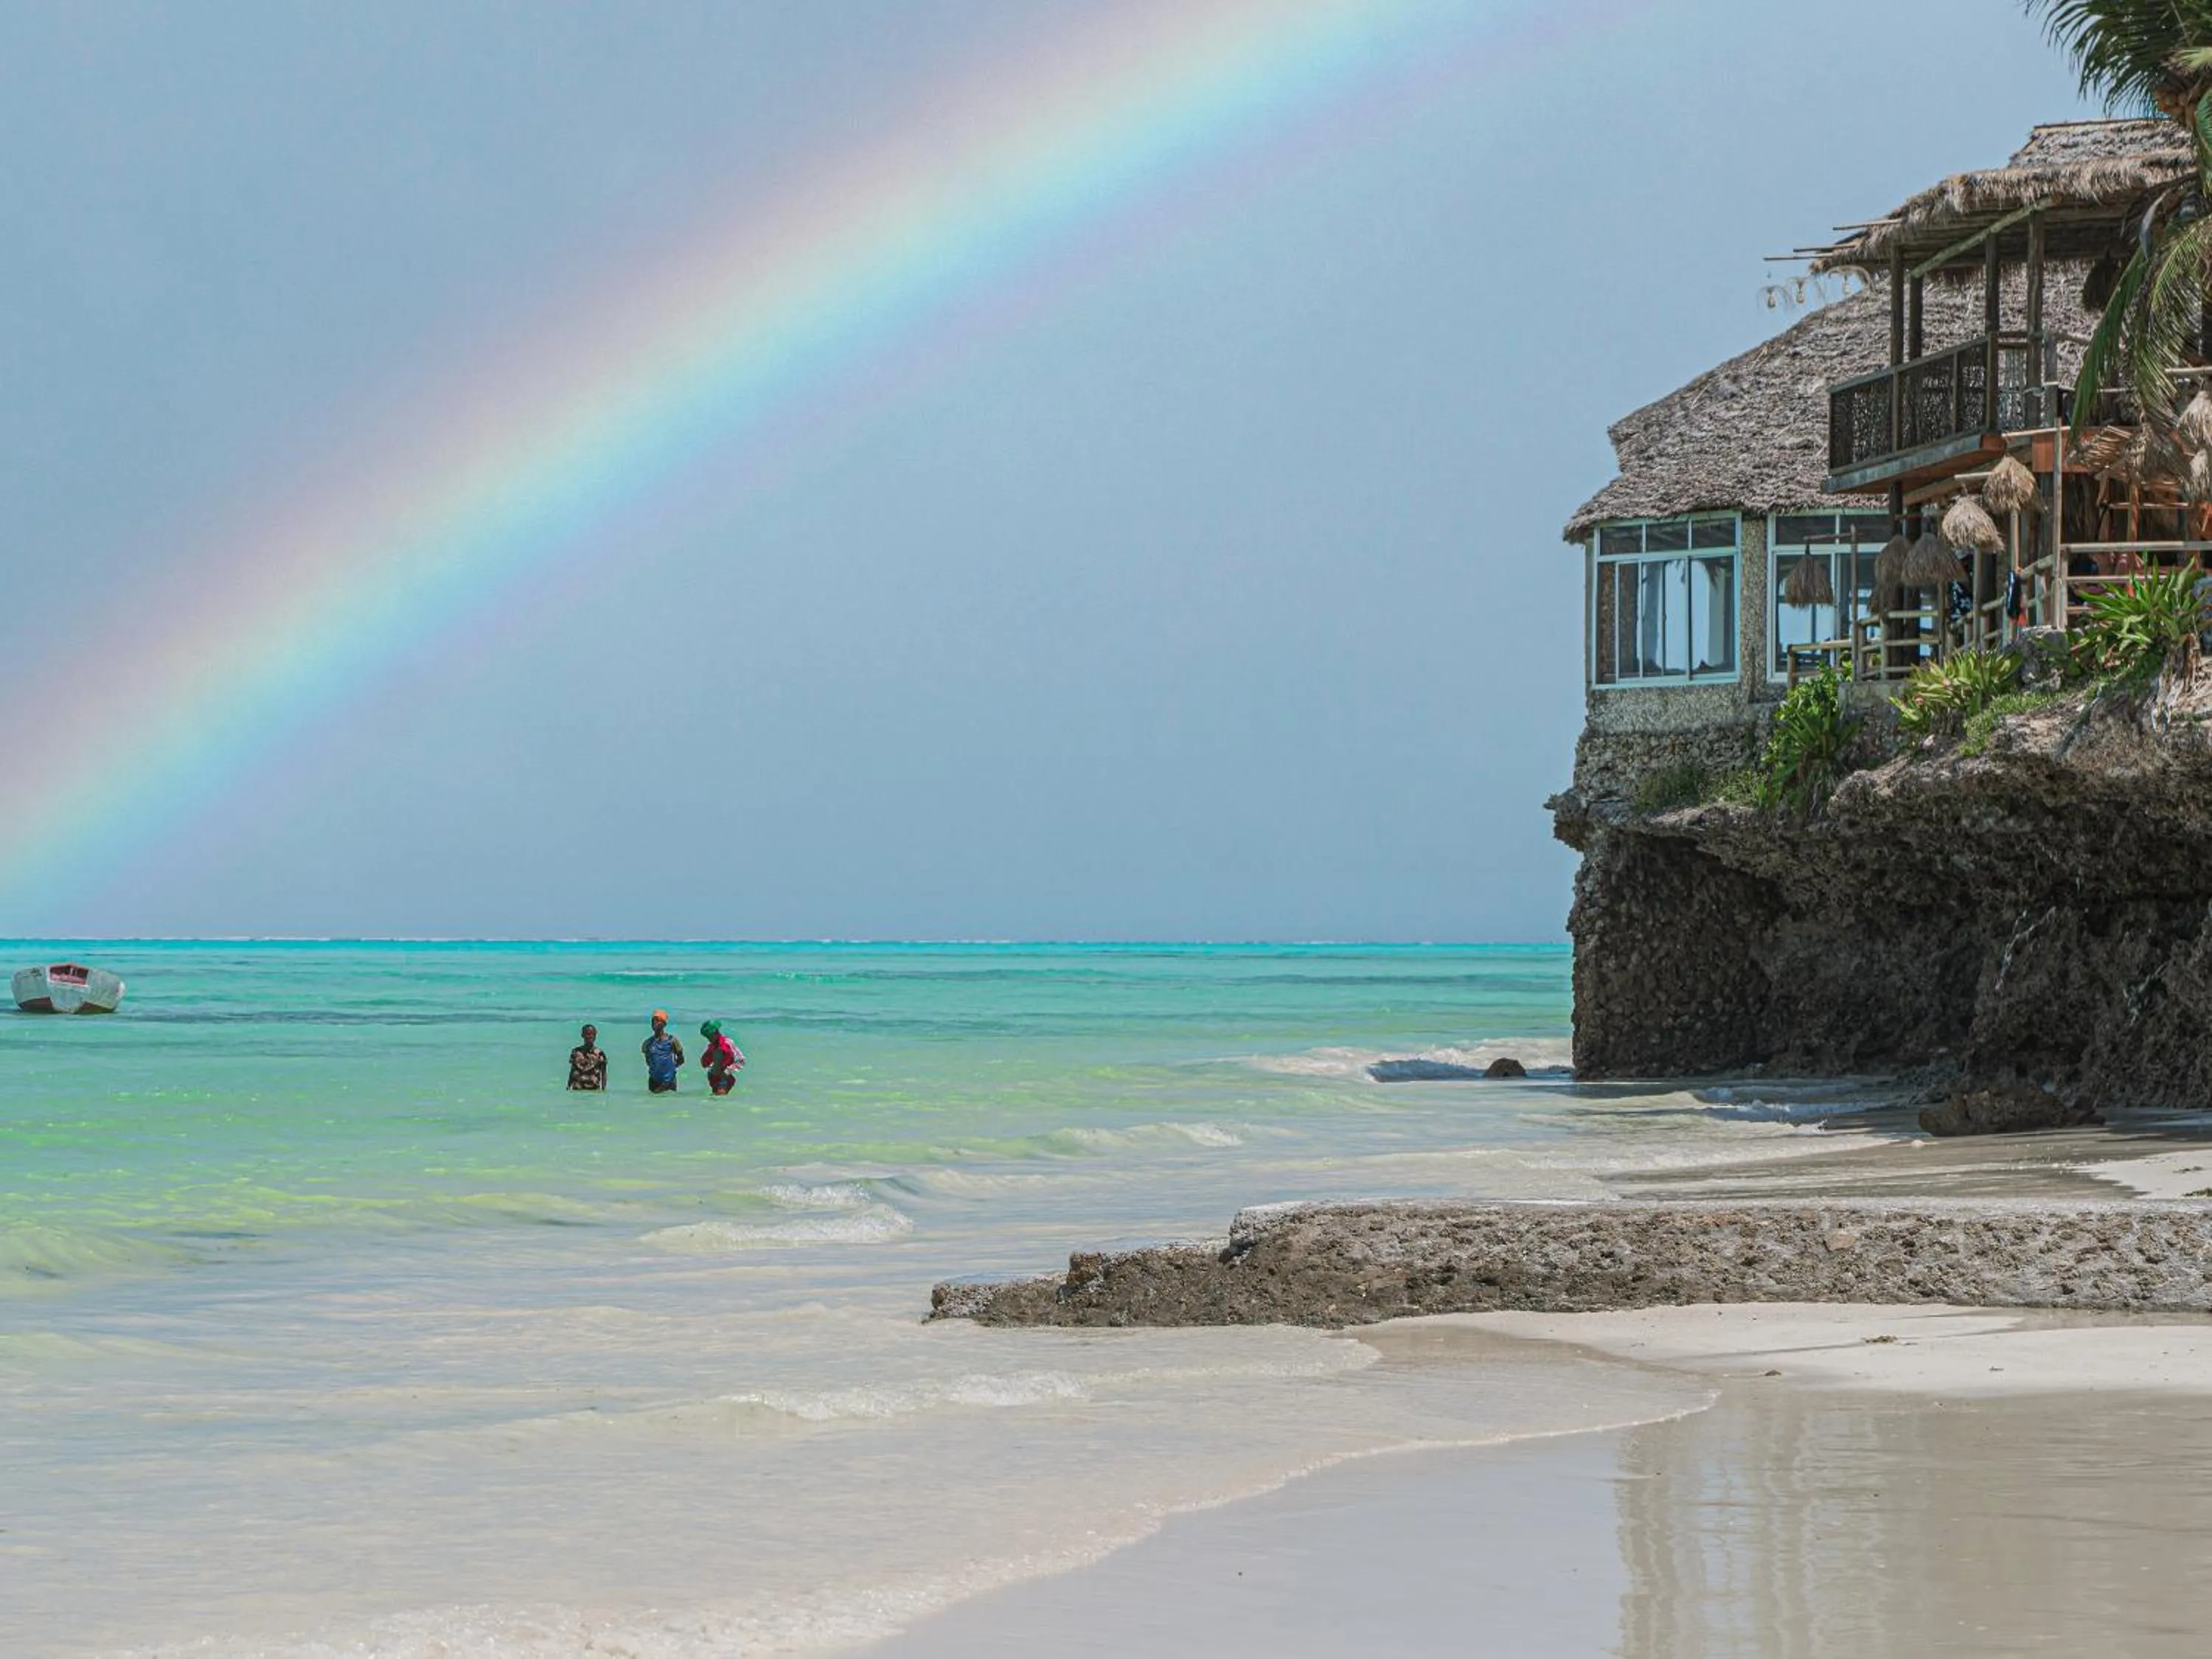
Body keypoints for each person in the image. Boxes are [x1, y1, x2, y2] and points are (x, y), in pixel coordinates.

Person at [642, 1009, 684, 1093]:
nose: (654, 1023)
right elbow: (648, 1062)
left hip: (669, 1082)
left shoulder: (672, 1041)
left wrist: (670, 1069)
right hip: (654, 1081)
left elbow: (681, 1059)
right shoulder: (647, 1043)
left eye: (658, 1021)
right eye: (653, 1021)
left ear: (664, 1024)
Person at [699, 1020, 745, 1096]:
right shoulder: (712, 1046)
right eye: (707, 1037)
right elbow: (704, 1063)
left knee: (720, 1097)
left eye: (710, 1036)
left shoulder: (728, 1043)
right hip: (713, 1076)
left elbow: (741, 1060)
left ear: (716, 1032)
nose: (709, 1039)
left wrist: (728, 1071)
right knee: (715, 1099)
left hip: (724, 1077)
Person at [566, 1023, 608, 1091]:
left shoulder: (600, 1053)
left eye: (592, 1034)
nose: (590, 1036)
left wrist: (603, 1090)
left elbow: (604, 1074)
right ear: (582, 1035)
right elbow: (572, 1071)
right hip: (577, 1089)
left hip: (593, 1089)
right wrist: (568, 1086)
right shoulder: (576, 1052)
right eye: (587, 1034)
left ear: (595, 1036)